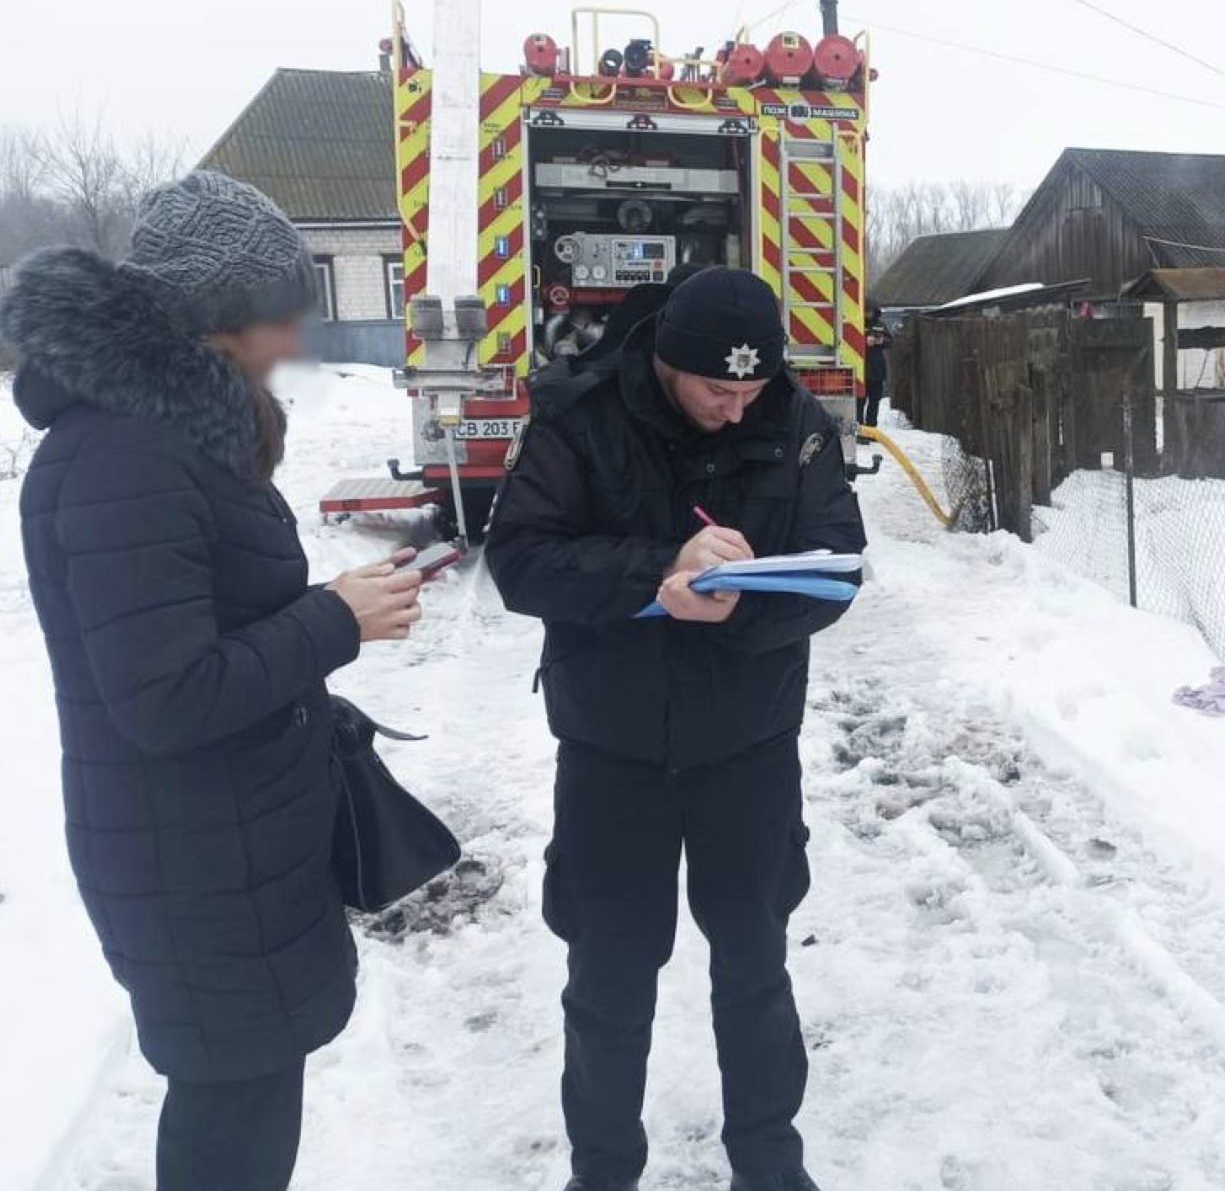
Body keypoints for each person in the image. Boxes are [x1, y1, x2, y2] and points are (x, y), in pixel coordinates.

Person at [2, 171, 425, 1191]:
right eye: (282, 316)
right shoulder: (124, 457)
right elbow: (163, 697)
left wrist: (322, 615)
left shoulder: (167, 436)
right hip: (190, 858)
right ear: (220, 318)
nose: (293, 343)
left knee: (247, 1097)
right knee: (230, 1118)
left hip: (223, 844)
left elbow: (196, 628)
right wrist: (332, 620)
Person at [488, 266, 867, 1191]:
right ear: (666, 362)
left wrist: (738, 611)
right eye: (716, 390)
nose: (737, 413)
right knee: (611, 975)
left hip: (748, 747)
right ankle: (603, 1171)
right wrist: (657, 572)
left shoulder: (798, 427)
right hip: (614, 750)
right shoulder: (576, 421)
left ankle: (772, 1167)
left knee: (754, 964)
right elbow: (520, 561)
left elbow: (840, 571)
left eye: (751, 392)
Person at [859, 303, 890, 427]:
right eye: (866, 311)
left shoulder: (880, 325)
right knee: (859, 402)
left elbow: (890, 341)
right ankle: (860, 429)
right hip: (861, 370)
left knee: (874, 402)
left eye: (870, 311)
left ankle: (872, 428)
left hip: (877, 371)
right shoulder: (858, 324)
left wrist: (881, 341)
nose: (868, 314)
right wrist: (864, 340)